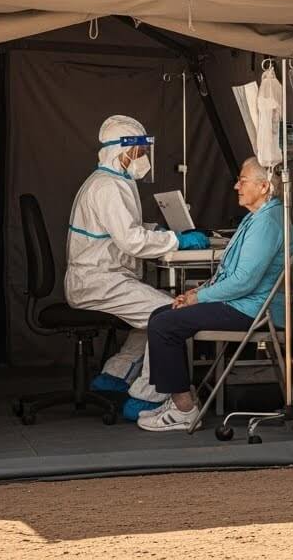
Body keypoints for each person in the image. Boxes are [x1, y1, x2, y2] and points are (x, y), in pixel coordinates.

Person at [137, 157, 293, 432]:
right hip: (243, 303)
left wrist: (197, 298)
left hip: (253, 310)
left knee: (165, 325)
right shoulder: (258, 217)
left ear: (264, 186)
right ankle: (180, 401)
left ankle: (184, 408)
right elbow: (230, 273)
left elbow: (243, 282)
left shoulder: (267, 223)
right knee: (161, 315)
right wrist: (196, 291)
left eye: (242, 180)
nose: (236, 186)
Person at [66, 115, 210, 420]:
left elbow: (121, 229)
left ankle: (116, 375)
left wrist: (157, 231)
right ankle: (147, 395)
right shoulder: (109, 187)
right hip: (98, 281)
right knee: (170, 315)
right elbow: (131, 241)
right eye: (141, 151)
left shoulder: (110, 181)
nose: (144, 158)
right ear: (124, 151)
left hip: (100, 277)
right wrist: (175, 241)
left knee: (154, 312)